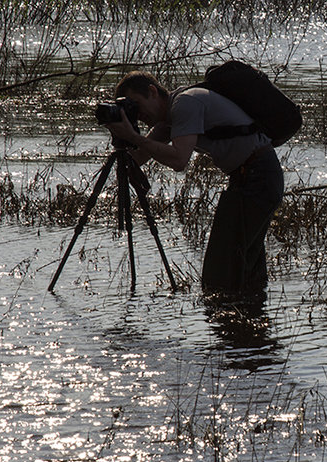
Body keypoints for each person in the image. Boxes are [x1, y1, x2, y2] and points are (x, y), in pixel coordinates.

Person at [102, 70, 285, 301]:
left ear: (152, 91)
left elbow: (179, 160)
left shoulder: (185, 104)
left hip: (258, 178)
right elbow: (136, 159)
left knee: (220, 270)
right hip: (250, 178)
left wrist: (136, 137)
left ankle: (232, 316)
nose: (138, 115)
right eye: (131, 110)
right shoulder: (169, 118)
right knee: (243, 265)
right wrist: (121, 133)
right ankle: (248, 322)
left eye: (137, 105)